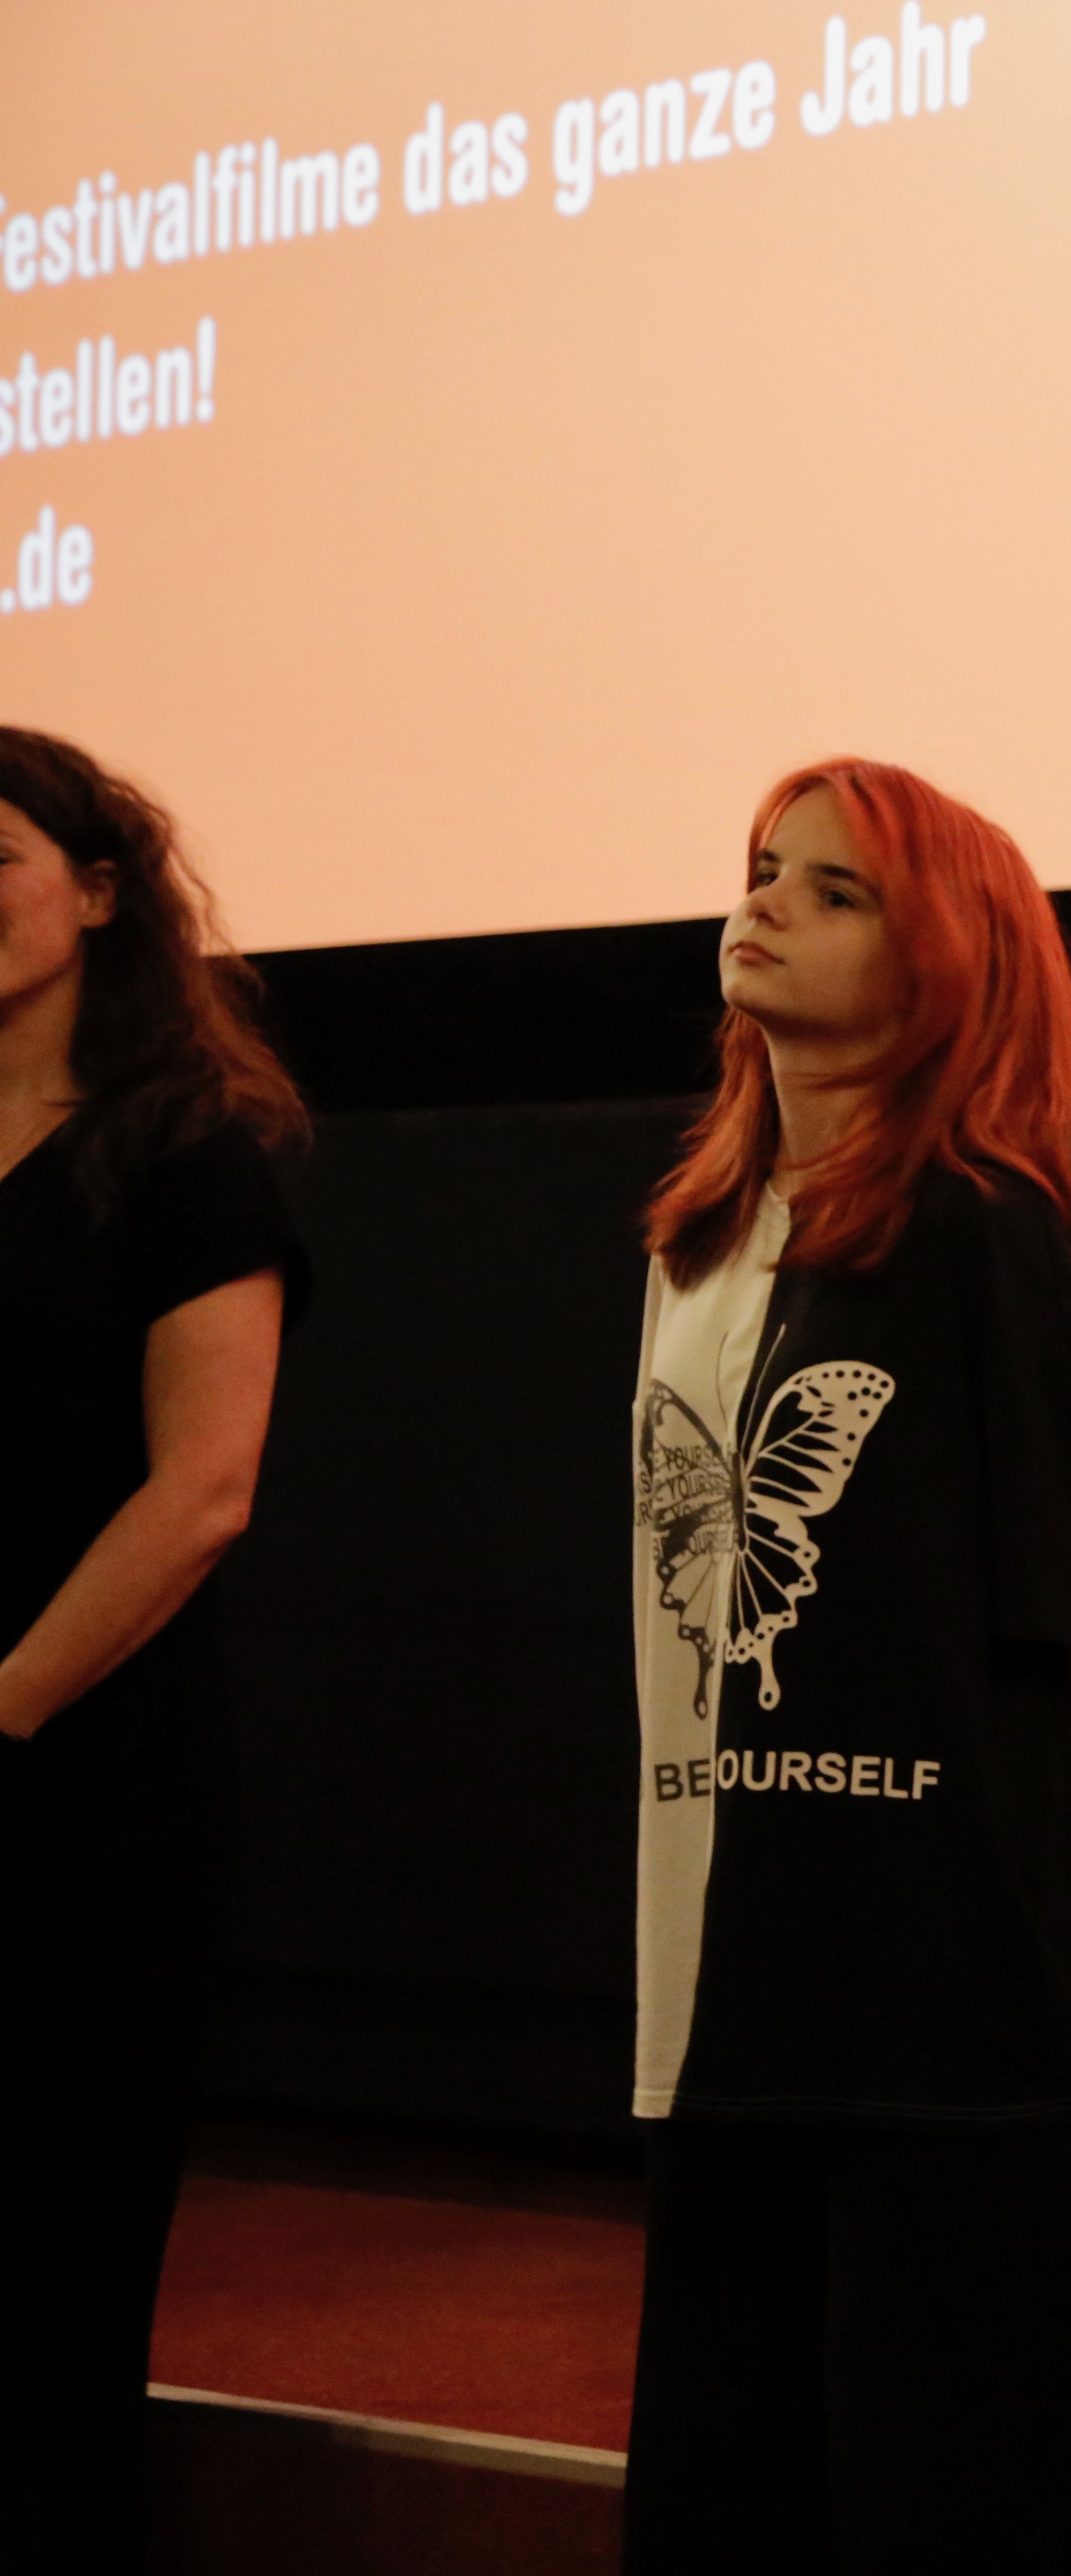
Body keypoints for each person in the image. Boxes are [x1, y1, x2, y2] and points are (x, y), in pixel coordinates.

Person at [621, 761, 1071, 2576]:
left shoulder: (986, 1230)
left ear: (943, 956)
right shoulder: (698, 1240)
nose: (765, 903)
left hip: (950, 2005)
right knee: (727, 2500)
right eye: (766, 870)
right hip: (726, 1989)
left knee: (949, 2502)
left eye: (834, 890)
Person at [0, 729, 308, 2575]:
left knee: (44, 2307)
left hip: (82, 1797)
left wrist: (5, 1702)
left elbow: (202, 1492)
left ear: (100, 891)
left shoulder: (186, 1152)